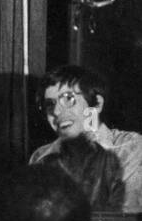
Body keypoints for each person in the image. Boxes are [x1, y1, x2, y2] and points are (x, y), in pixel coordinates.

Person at [30, 64, 142, 213]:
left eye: (68, 99)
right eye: (50, 104)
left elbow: (122, 220)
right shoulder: (41, 158)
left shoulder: (131, 147)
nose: (56, 111)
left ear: (96, 104)